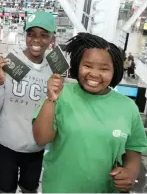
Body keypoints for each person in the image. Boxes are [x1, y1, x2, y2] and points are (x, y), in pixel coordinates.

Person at [33, 33, 147, 193]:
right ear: (77, 64)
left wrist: (130, 172)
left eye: (104, 69)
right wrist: (51, 99)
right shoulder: (62, 94)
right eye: (87, 66)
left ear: (115, 71)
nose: (94, 74)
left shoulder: (128, 107)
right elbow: (41, 138)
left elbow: (133, 149)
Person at [0, 11, 56, 193]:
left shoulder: (55, 68)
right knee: (5, 189)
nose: (36, 40)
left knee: (29, 189)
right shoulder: (10, 61)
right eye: (31, 34)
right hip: (5, 144)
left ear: (52, 38)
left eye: (44, 35)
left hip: (35, 146)